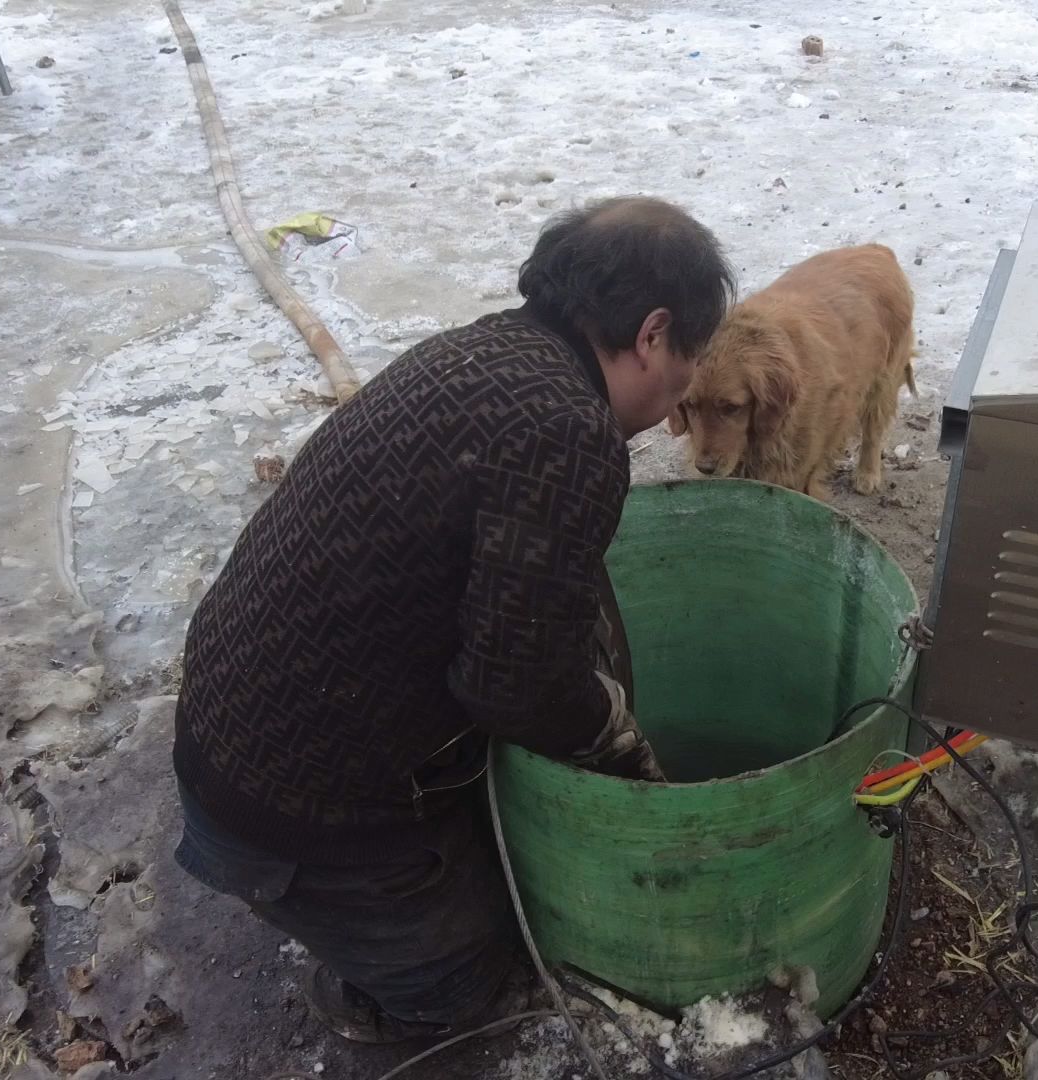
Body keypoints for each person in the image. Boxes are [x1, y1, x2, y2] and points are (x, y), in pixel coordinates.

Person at [171, 196, 735, 1044]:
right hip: (286, 804)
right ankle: (374, 977)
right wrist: (621, 746)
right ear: (653, 335)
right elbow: (514, 685)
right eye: (685, 374)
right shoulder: (567, 430)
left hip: (227, 720)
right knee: (467, 990)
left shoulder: (487, 349)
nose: (675, 402)